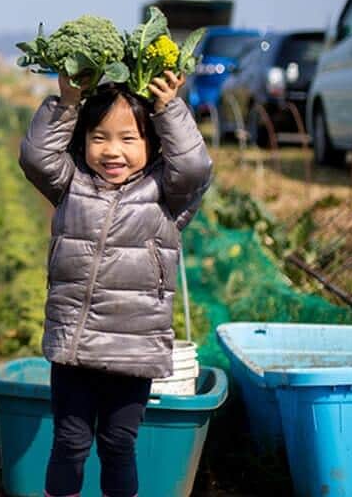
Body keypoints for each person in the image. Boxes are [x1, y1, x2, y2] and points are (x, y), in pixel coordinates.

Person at [18, 71, 212, 497]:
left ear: (153, 143)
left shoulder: (166, 195)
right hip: (75, 347)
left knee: (118, 444)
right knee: (69, 443)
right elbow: (36, 157)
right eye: (99, 137)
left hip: (134, 348)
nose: (112, 151)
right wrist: (66, 103)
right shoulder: (72, 185)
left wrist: (168, 108)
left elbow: (195, 166)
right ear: (82, 139)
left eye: (129, 139)